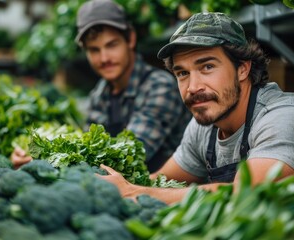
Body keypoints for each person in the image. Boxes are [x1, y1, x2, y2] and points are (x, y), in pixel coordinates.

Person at [99, 12, 294, 204]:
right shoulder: (203, 127)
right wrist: (116, 184)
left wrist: (132, 191)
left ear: (242, 69)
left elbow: (248, 193)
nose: (193, 87)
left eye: (207, 66)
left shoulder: (287, 116)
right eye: (182, 73)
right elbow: (160, 181)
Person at [11, 0, 192, 172]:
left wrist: (48, 158)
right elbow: (87, 144)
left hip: (165, 191)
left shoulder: (159, 87)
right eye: (94, 50)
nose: (104, 58)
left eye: (111, 45)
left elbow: (131, 152)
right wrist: (35, 151)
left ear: (130, 39)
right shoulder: (99, 94)